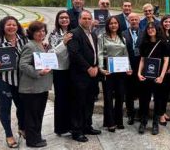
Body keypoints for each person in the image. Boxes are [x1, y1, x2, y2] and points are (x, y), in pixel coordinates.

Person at [67, 10, 101, 142]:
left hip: (93, 74)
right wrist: (88, 68)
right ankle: (77, 131)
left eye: (89, 18)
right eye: (84, 18)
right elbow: (74, 54)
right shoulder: (74, 34)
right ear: (79, 20)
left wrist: (96, 66)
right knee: (78, 104)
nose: (87, 21)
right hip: (80, 75)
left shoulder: (93, 34)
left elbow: (95, 53)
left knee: (89, 102)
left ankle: (87, 126)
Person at [19, 21, 52, 148]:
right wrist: (38, 73)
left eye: (43, 31)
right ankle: (32, 140)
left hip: (41, 87)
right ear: (32, 33)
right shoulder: (30, 46)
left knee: (38, 114)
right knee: (32, 116)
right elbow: (23, 65)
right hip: (31, 88)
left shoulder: (42, 45)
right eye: (38, 31)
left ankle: (37, 137)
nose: (41, 33)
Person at [0, 16, 27, 148]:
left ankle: (22, 128)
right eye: (8, 25)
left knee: (23, 106)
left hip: (21, 80)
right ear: (3, 27)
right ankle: (9, 134)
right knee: (5, 108)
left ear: (17, 26)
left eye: (14, 25)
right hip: (3, 80)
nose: (11, 27)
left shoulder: (23, 40)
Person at [98, 16, 132, 132]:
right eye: (111, 23)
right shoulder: (102, 37)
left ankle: (119, 121)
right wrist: (101, 68)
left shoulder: (122, 37)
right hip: (108, 69)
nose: (113, 25)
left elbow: (125, 54)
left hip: (121, 70)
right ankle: (110, 122)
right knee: (108, 97)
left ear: (118, 25)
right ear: (108, 25)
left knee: (120, 96)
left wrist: (129, 68)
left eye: (115, 23)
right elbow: (100, 53)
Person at [137, 22, 169, 135]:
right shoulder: (144, 43)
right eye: (148, 28)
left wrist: (161, 76)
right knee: (144, 99)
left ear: (157, 29)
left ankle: (155, 123)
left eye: (152, 28)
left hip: (158, 76)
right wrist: (138, 73)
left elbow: (166, 61)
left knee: (158, 99)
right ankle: (143, 122)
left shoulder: (163, 43)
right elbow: (142, 60)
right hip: (146, 76)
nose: (150, 30)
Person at [48, 10, 72, 136]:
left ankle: (71, 125)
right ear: (58, 20)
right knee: (61, 99)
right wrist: (63, 43)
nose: (64, 20)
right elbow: (52, 52)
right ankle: (60, 128)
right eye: (61, 18)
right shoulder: (54, 34)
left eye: (66, 17)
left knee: (72, 99)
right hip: (60, 70)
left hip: (73, 69)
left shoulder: (73, 31)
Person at [123, 13, 142, 125]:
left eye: (136, 19)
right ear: (128, 21)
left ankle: (140, 112)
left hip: (141, 67)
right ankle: (130, 114)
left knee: (141, 92)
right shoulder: (123, 34)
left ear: (139, 21)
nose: (134, 21)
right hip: (128, 67)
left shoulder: (144, 33)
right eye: (132, 20)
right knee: (129, 93)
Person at [158, 16, 170, 125]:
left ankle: (163, 111)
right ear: (162, 23)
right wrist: (168, 65)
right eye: (165, 21)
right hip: (162, 67)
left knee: (166, 92)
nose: (167, 23)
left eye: (169, 22)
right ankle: (160, 115)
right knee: (161, 91)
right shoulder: (159, 35)